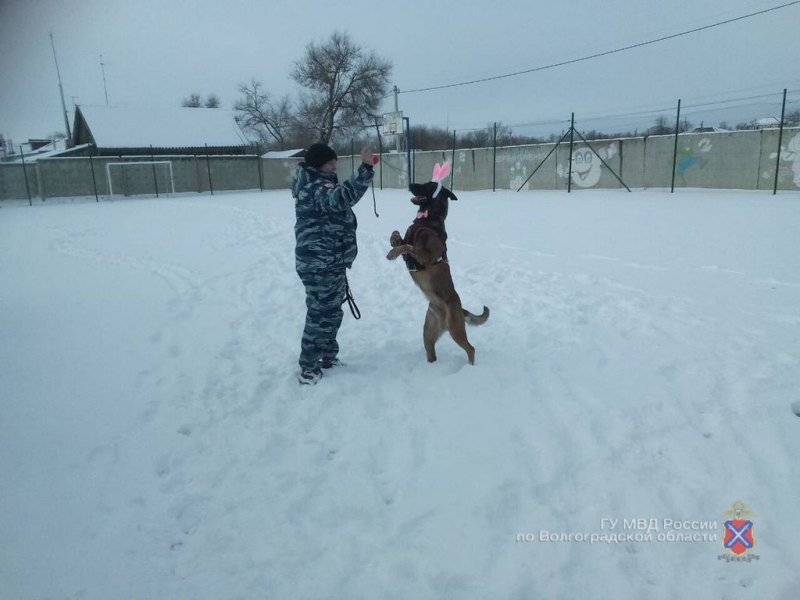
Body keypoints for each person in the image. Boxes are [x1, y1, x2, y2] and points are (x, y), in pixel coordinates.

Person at [293, 143, 375, 385]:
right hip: (319, 264)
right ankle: (309, 367)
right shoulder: (314, 188)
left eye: (335, 162)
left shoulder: (321, 184)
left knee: (331, 313)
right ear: (318, 165)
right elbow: (343, 197)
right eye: (330, 163)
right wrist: (365, 169)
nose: (334, 166)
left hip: (331, 261)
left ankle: (327, 357)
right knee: (319, 315)